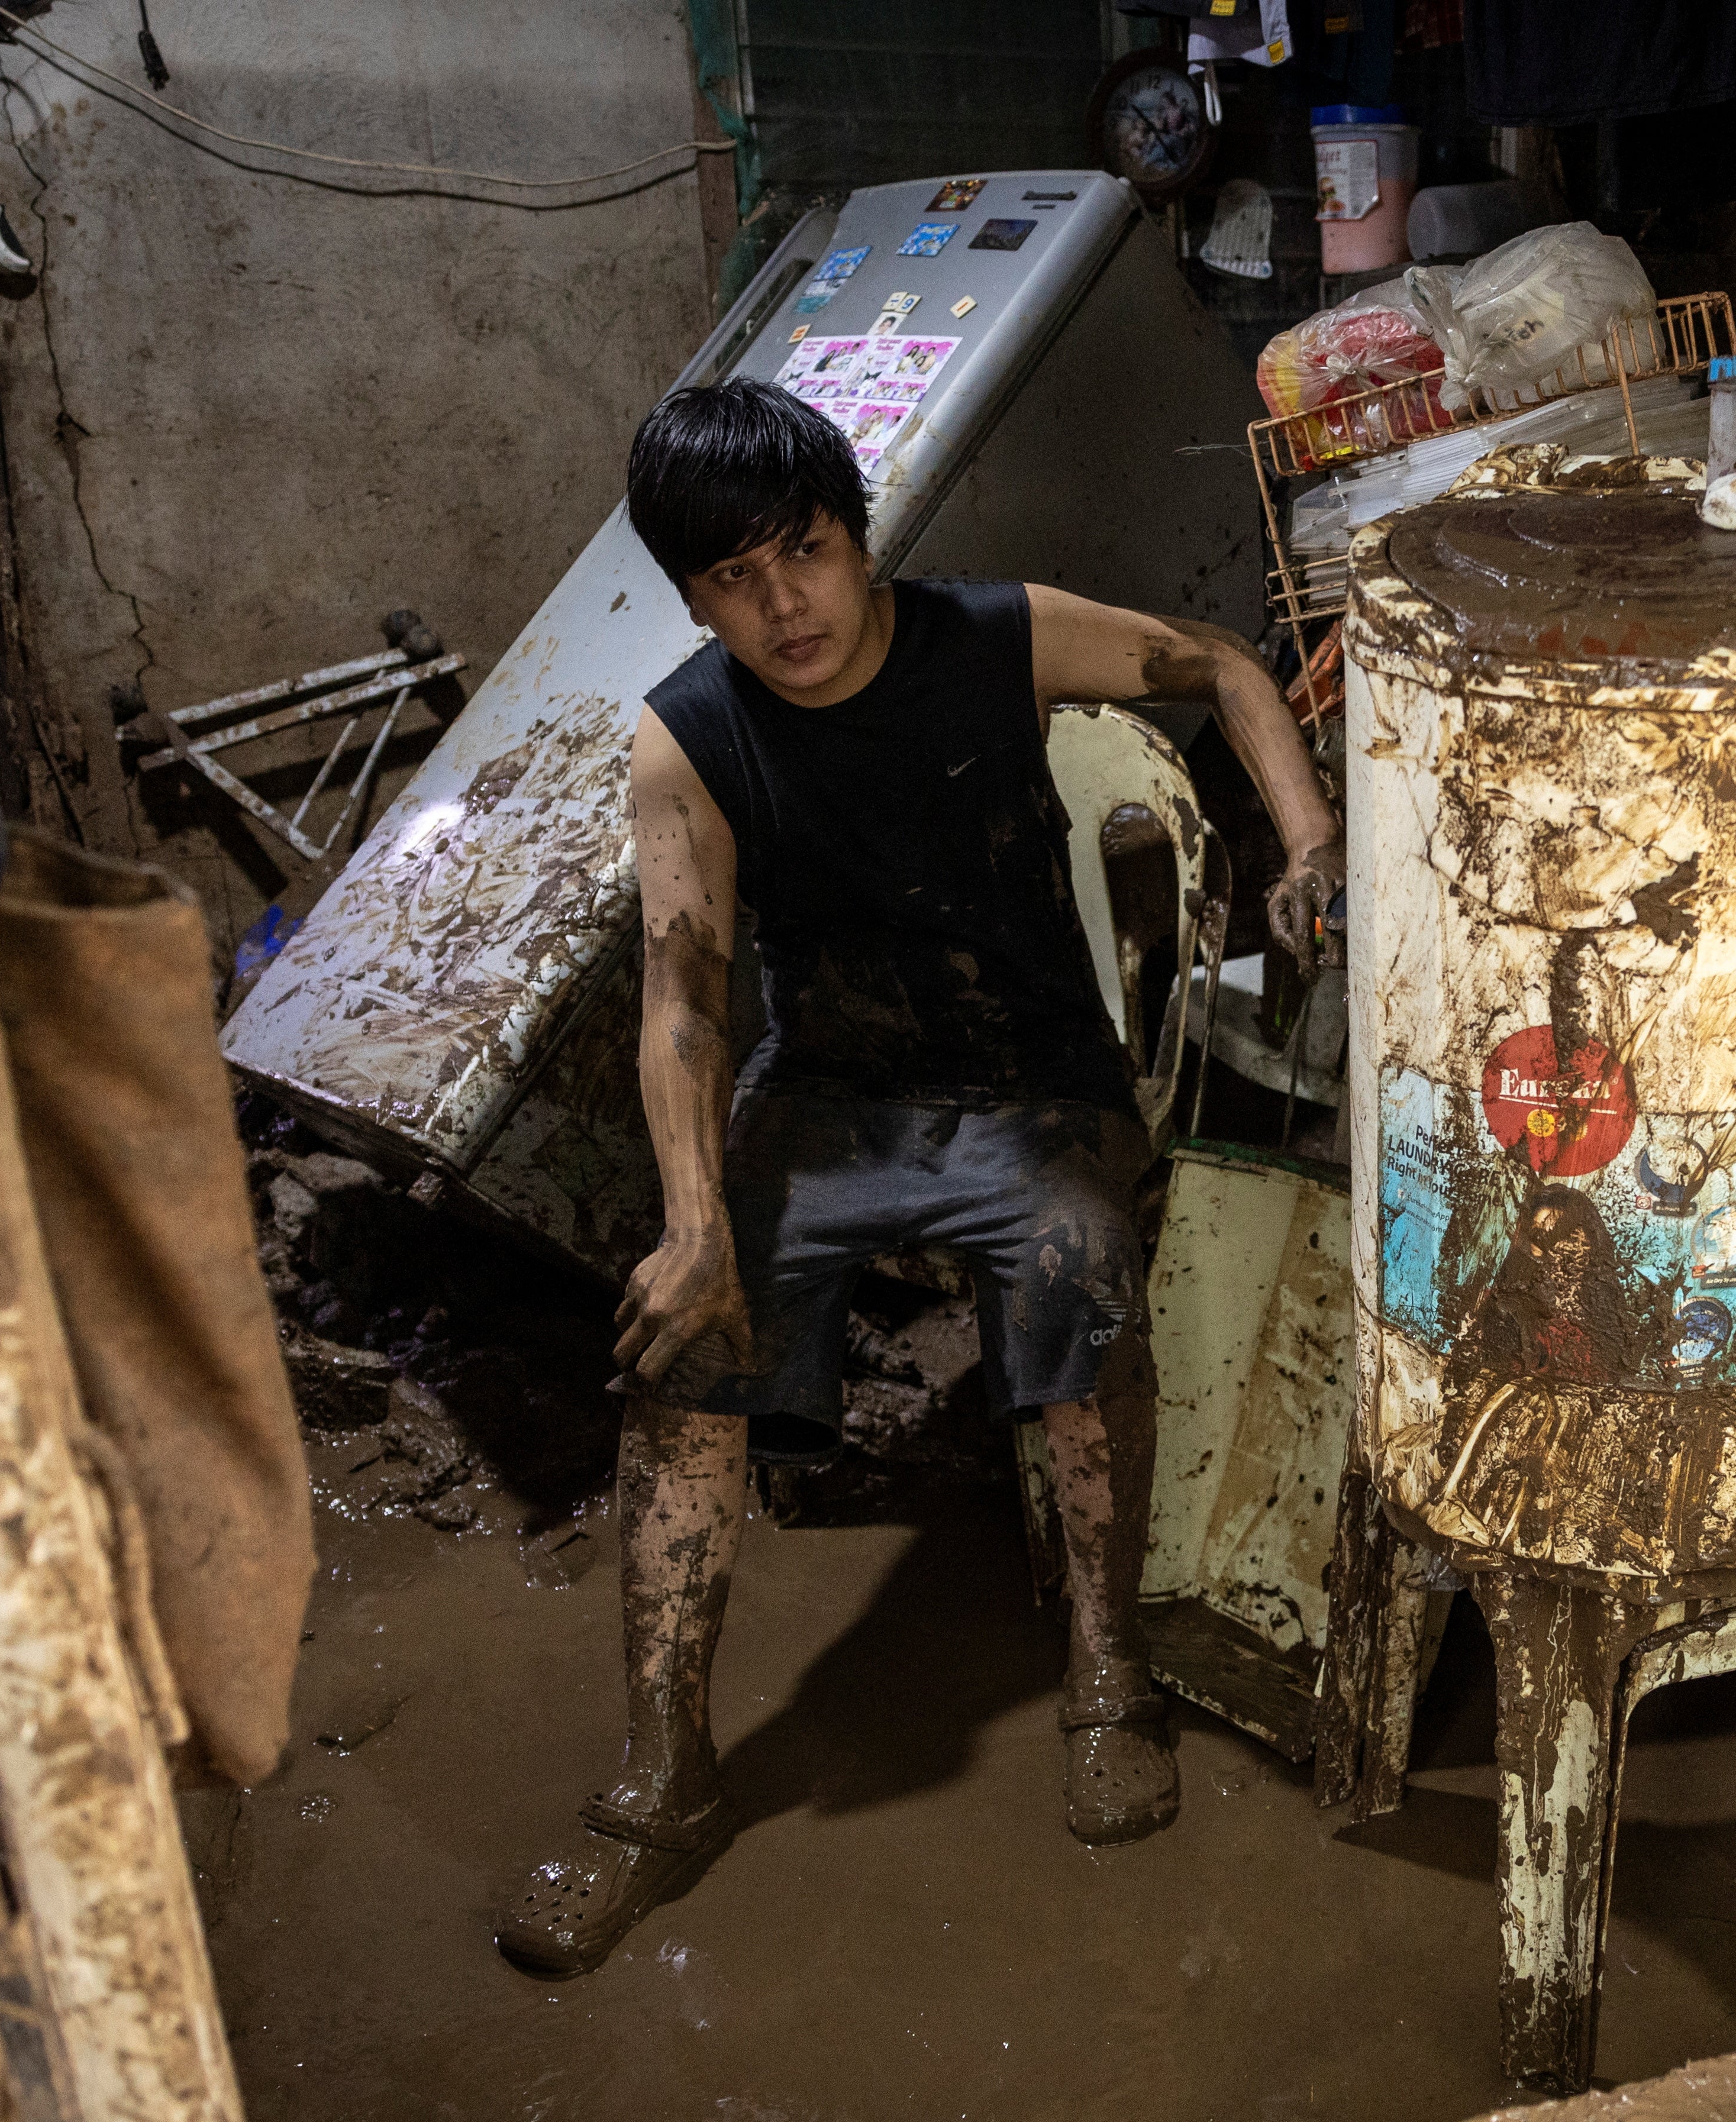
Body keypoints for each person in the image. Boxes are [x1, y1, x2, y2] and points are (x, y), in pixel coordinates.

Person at [498, 381, 1341, 1974]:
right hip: (824, 1099)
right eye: (730, 582)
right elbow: (684, 991)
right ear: (689, 599)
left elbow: (1221, 663)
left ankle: (1110, 1674)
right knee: (680, 1350)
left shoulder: (992, 636)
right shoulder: (689, 733)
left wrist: (1305, 842)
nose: (780, 606)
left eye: (803, 554)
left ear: (857, 534)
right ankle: (661, 1777)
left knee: (1080, 1278)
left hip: (1032, 1078)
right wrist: (692, 1224)